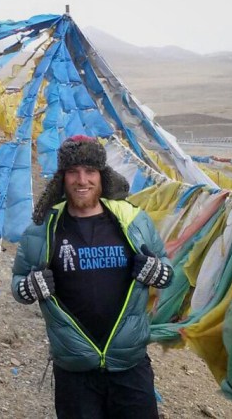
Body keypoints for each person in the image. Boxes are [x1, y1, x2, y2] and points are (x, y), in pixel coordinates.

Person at [11, 135, 173, 418]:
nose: (82, 180)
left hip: (130, 364)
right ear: (62, 178)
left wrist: (159, 272)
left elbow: (167, 270)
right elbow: (18, 282)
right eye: (73, 172)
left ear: (102, 175)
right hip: (74, 370)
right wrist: (28, 287)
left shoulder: (133, 221)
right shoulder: (42, 230)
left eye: (90, 171)